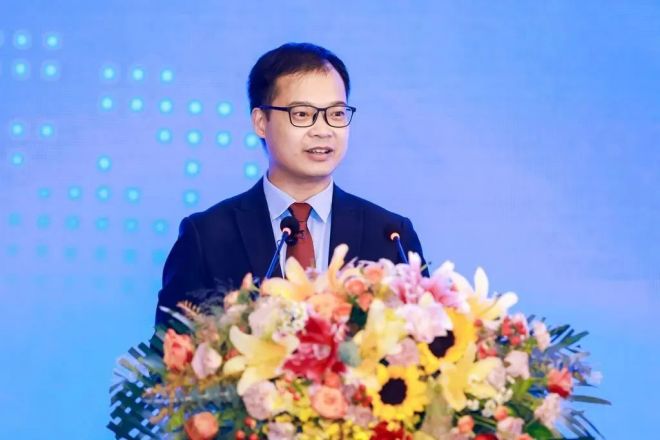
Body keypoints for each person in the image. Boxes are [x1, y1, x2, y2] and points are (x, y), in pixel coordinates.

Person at [155, 42, 427, 327]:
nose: (323, 130)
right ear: (261, 122)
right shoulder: (207, 236)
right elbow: (169, 349)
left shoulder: (390, 236)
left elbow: (425, 343)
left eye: (336, 114)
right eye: (302, 114)